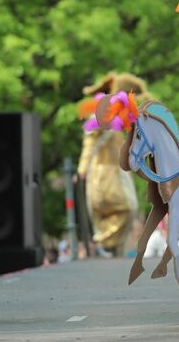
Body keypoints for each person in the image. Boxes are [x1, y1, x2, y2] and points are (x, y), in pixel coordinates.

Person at [77, 72, 144, 257]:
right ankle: (105, 244)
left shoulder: (119, 117)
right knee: (120, 208)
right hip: (102, 172)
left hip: (117, 171)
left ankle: (109, 246)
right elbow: (89, 143)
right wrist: (82, 169)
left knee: (126, 210)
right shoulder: (98, 117)